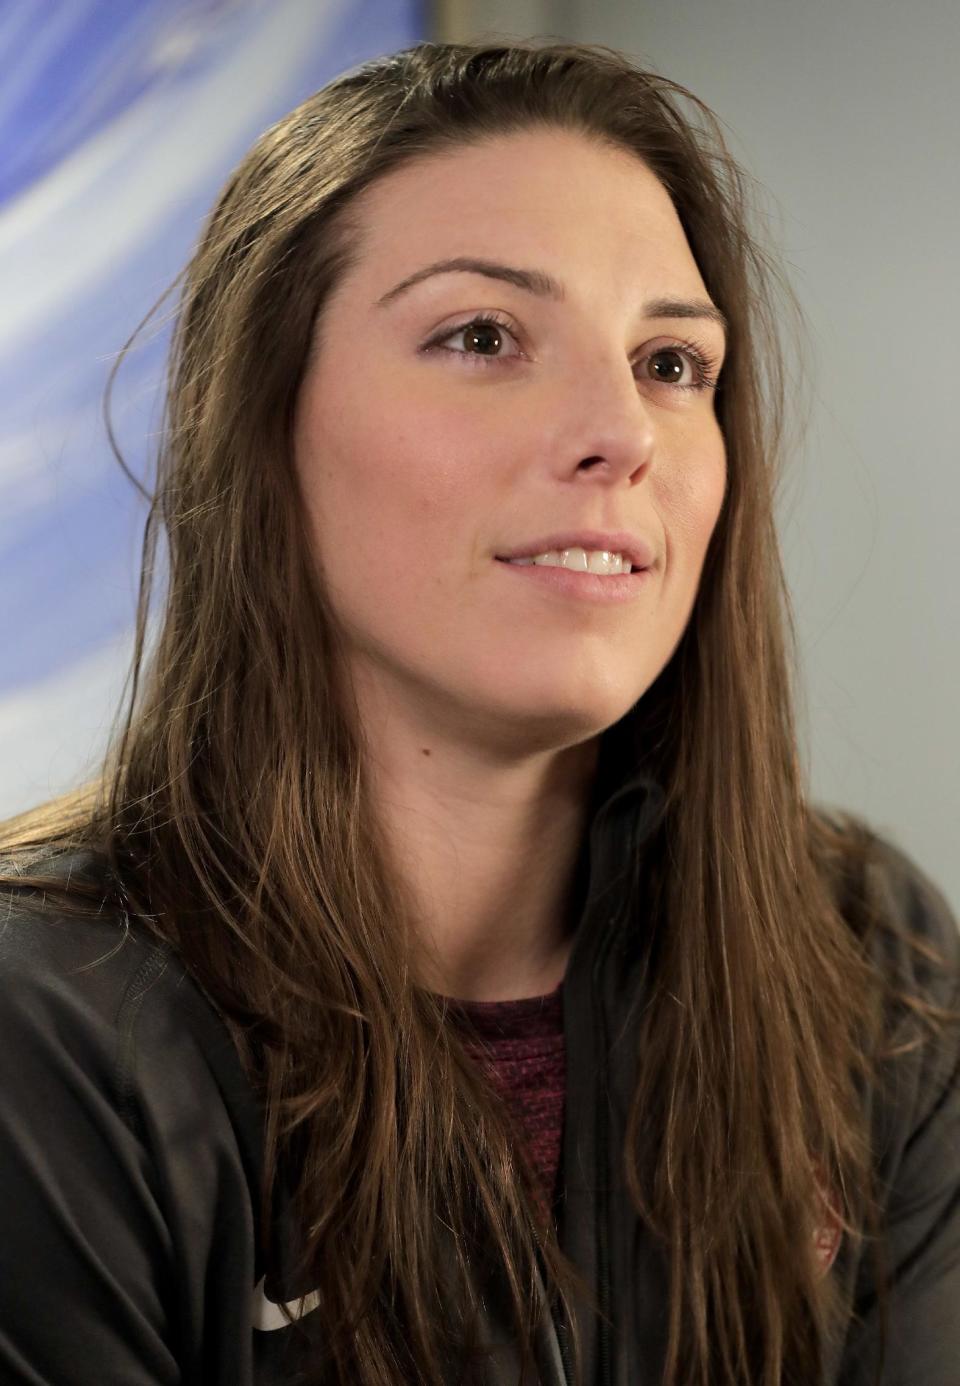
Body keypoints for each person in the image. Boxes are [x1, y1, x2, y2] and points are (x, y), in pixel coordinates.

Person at [0, 38, 957, 1386]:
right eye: (483, 336)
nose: (619, 427)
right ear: (260, 427)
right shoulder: (44, 1027)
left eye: (673, 363)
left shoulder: (875, 961)